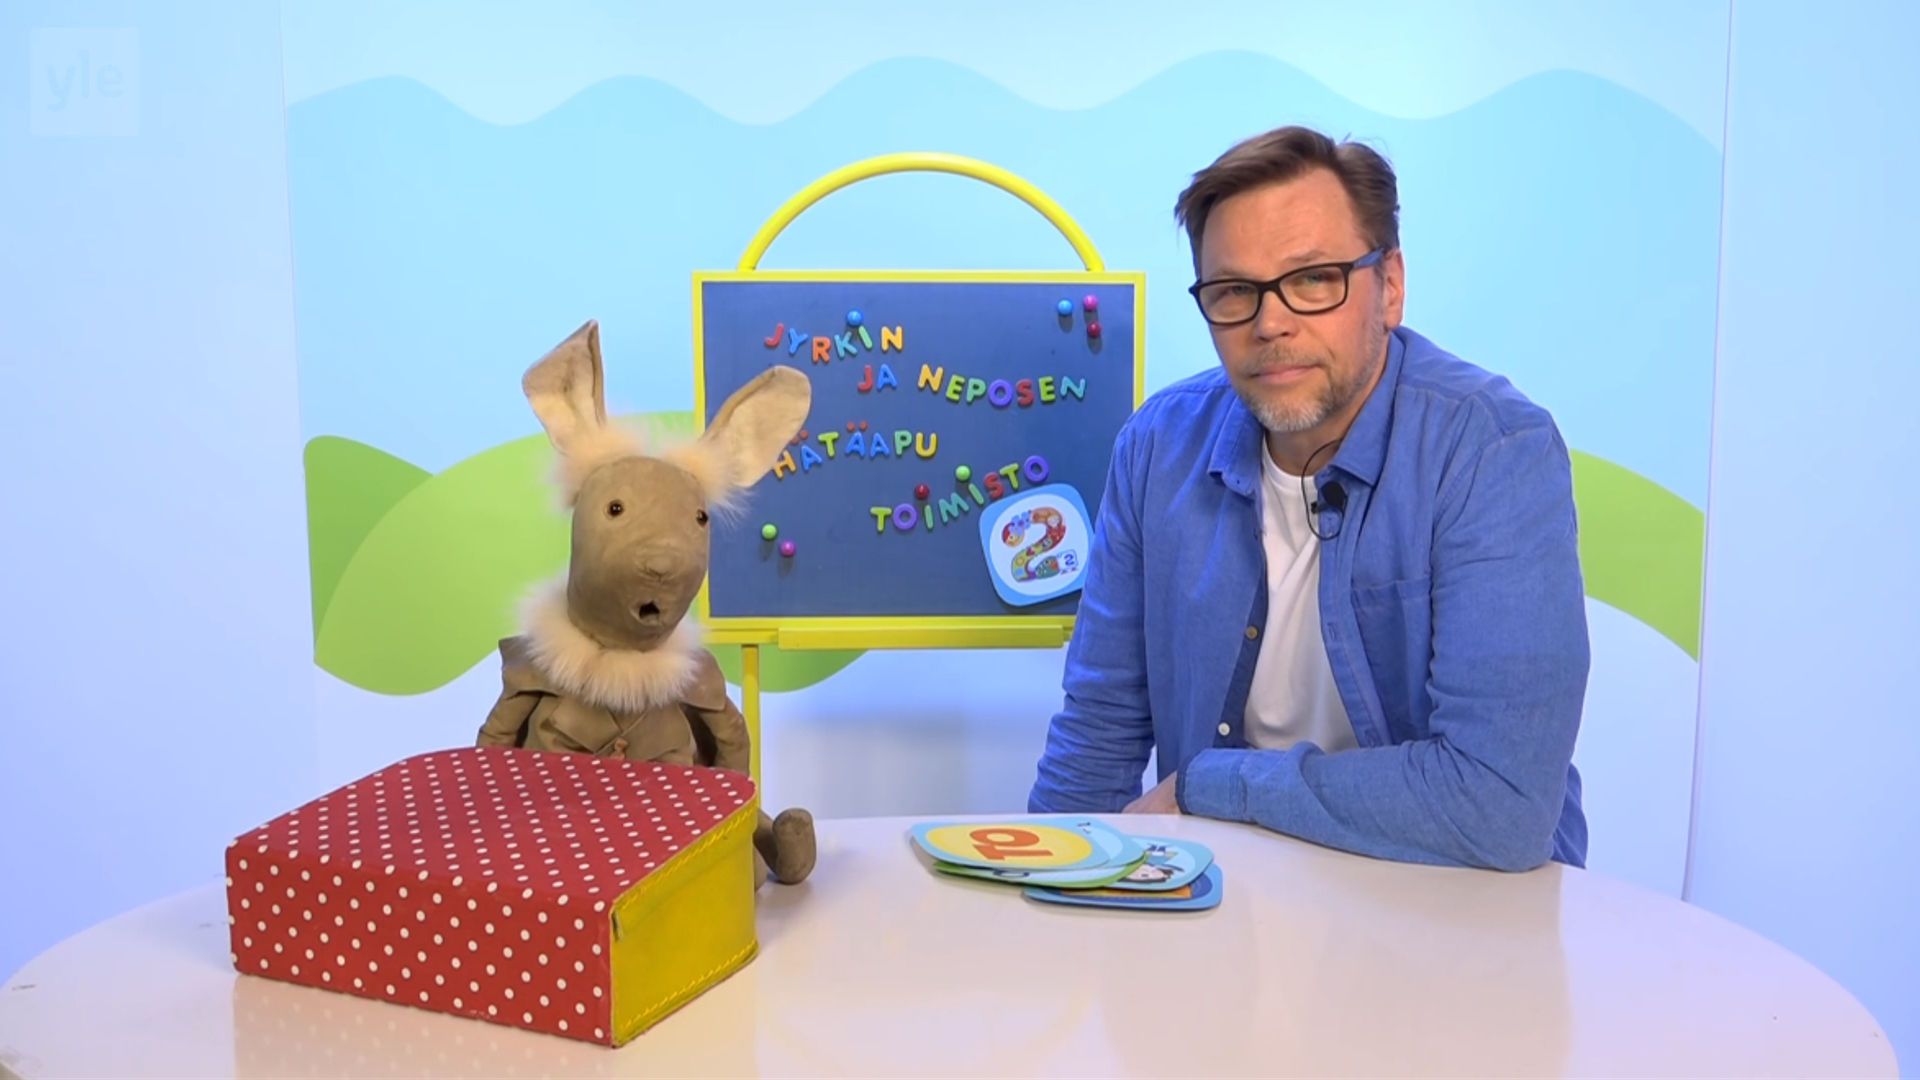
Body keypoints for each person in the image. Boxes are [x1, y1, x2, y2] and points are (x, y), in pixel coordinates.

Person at [1026, 125, 1590, 871]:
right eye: (1235, 291)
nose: (1271, 323)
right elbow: (1097, 737)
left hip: (1455, 900)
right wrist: (1040, 894)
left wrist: (1214, 787)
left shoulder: (1492, 451)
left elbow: (1498, 805)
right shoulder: (1156, 448)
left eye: (1314, 279)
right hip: (1223, 899)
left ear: (1390, 286)